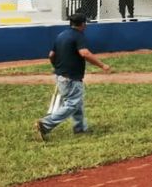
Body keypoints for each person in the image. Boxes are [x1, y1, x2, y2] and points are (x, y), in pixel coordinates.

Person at [35, 13, 112, 141]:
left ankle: (80, 128)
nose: (86, 25)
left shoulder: (61, 35)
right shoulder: (78, 36)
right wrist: (102, 65)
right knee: (72, 104)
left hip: (61, 76)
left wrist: (58, 68)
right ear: (82, 24)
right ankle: (46, 124)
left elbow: (51, 55)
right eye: (85, 23)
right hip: (71, 78)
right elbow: (84, 53)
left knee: (77, 102)